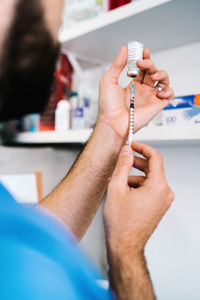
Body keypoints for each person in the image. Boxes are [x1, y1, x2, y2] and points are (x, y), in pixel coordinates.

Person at [0, 0, 175, 299]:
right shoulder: (26, 278)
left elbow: (35, 237)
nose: (55, 30)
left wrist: (111, 127)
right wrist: (126, 246)